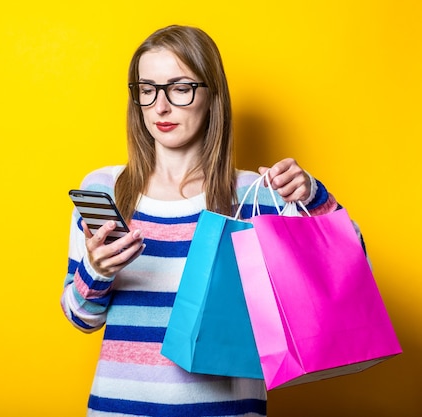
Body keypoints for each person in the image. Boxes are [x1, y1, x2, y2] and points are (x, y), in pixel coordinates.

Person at [60, 25, 339, 417]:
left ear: (212, 95)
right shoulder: (105, 189)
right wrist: (96, 271)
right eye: (147, 89)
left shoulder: (256, 196)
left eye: (179, 87)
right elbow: (81, 318)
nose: (160, 107)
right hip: (118, 407)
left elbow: (344, 274)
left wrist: (314, 196)